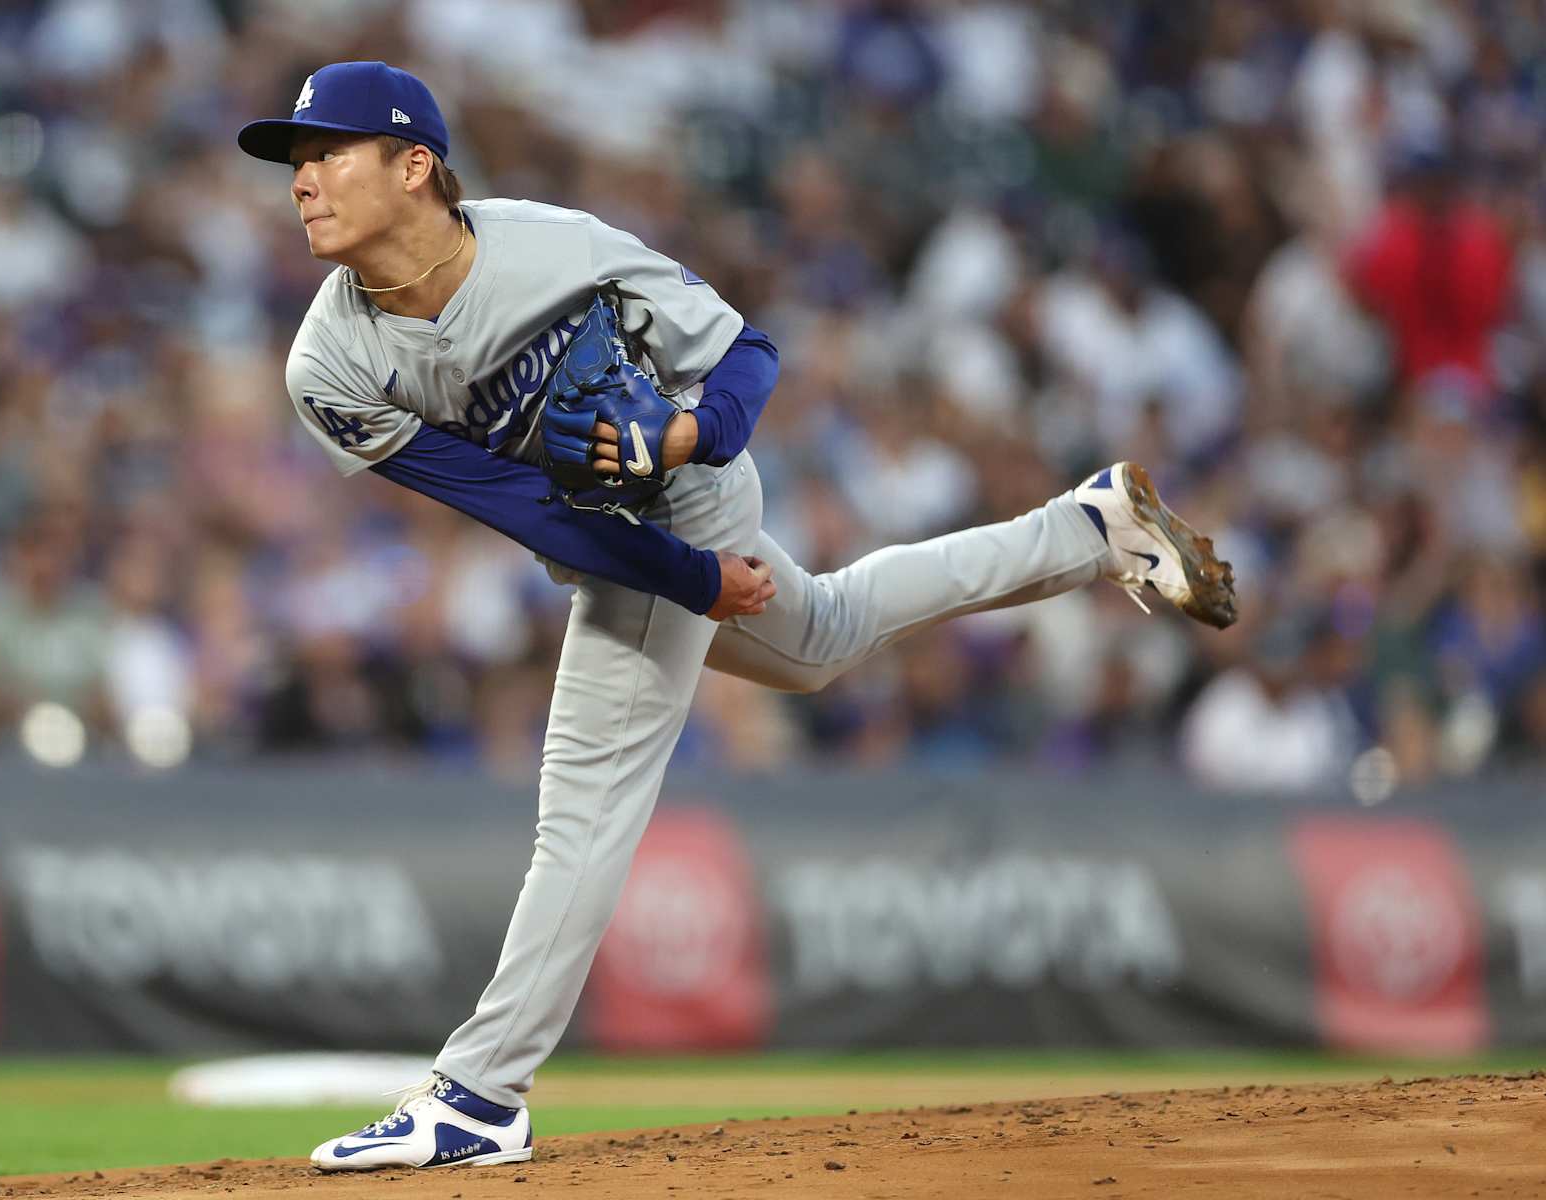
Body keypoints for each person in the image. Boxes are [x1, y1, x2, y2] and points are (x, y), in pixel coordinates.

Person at [236, 61, 1237, 1173]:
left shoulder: (552, 249)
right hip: (622, 539)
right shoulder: (327, 365)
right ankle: (1089, 530)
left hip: (693, 495)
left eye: (327, 152)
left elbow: (747, 356)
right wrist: (694, 582)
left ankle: (480, 1092)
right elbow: (519, 505)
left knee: (586, 798)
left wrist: (685, 438)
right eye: (295, 160)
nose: (302, 179)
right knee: (822, 640)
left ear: (414, 164)